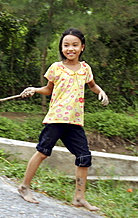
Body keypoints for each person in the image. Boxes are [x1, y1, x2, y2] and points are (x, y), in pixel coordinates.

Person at [18, 28, 109, 211]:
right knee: (43, 152)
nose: (70, 48)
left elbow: (92, 85)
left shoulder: (85, 69)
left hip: (74, 121)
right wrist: (34, 89)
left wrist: (101, 92)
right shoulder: (56, 68)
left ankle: (79, 197)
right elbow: (48, 89)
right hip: (56, 118)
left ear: (82, 47)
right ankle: (24, 187)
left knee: (84, 157)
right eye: (66, 45)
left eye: (75, 45)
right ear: (61, 47)